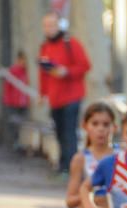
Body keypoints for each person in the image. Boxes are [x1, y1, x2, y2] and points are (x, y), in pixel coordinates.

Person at [38, 11, 91, 174]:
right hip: (55, 98)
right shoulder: (44, 47)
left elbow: (85, 65)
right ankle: (63, 164)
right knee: (59, 132)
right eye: (46, 25)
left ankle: (71, 167)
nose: (49, 29)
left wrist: (66, 72)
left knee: (69, 132)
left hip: (72, 96)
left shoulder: (71, 43)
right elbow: (43, 73)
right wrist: (43, 93)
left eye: (52, 25)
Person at [2, 51, 31, 151]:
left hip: (23, 103)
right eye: (22, 60)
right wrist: (8, 100)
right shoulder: (13, 71)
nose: (24, 62)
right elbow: (8, 87)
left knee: (21, 123)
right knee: (13, 123)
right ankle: (14, 142)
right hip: (13, 102)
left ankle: (21, 142)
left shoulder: (24, 71)